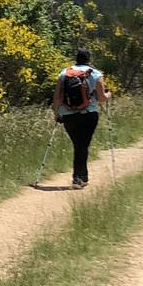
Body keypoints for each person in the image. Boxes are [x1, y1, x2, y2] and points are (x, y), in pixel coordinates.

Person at [52, 47, 111, 189]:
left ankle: (81, 177)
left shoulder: (64, 73)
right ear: (89, 59)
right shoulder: (96, 74)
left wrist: (56, 113)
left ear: (76, 58)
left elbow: (57, 96)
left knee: (78, 144)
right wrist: (109, 95)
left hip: (68, 114)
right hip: (89, 114)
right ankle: (79, 178)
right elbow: (102, 98)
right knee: (82, 145)